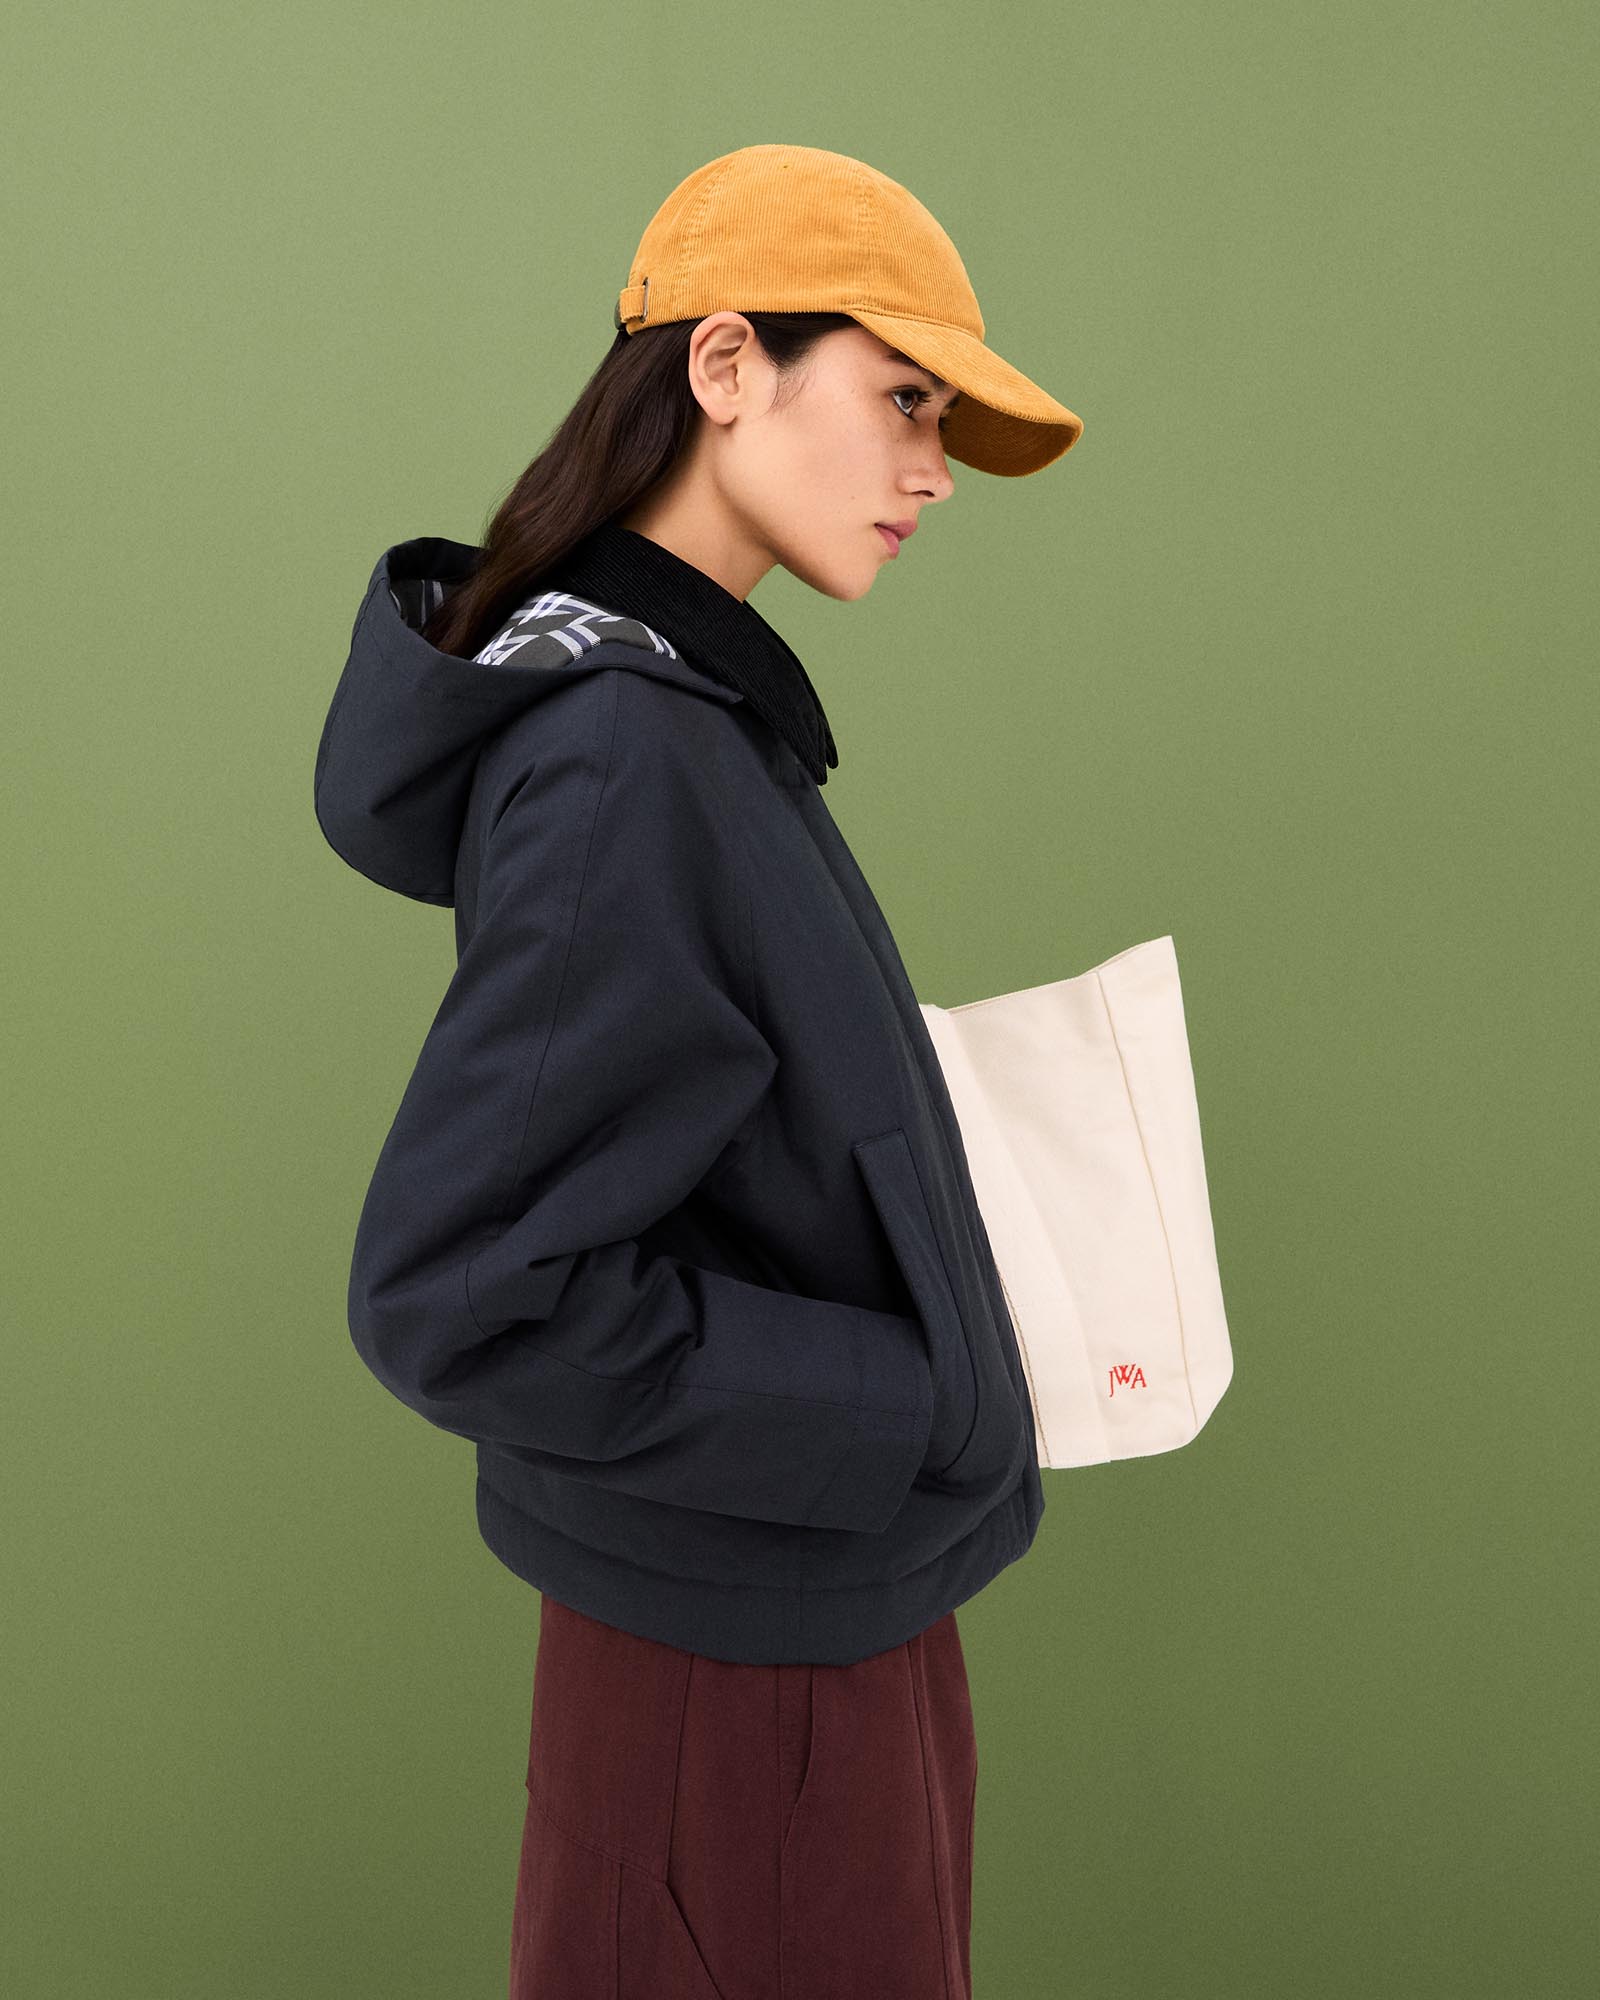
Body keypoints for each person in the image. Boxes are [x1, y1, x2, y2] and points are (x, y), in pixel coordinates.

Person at [313, 142, 1083, 1999]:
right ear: (728, 365)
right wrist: (903, 1401)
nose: (931, 471)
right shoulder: (621, 760)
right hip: (746, 1695)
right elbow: (463, 1294)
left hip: (805, 1622)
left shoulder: (695, 720)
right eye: (905, 400)